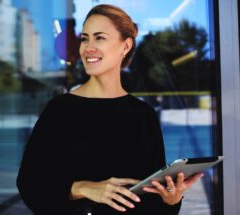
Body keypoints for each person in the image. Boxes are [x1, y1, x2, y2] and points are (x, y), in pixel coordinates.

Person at [17, 4, 203, 215]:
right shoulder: (60, 109)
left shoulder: (143, 115)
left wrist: (171, 200)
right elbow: (29, 185)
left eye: (100, 38)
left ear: (125, 46)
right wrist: (83, 188)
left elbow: (152, 203)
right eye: (85, 38)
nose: (88, 47)